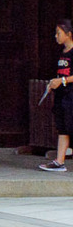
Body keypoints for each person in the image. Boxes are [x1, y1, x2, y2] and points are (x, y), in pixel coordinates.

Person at [41, 19, 73, 173]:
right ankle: (59, 162)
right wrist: (54, 83)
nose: (56, 36)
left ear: (69, 34)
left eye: (58, 33)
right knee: (63, 128)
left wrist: (63, 81)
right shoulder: (61, 54)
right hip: (62, 95)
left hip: (71, 95)